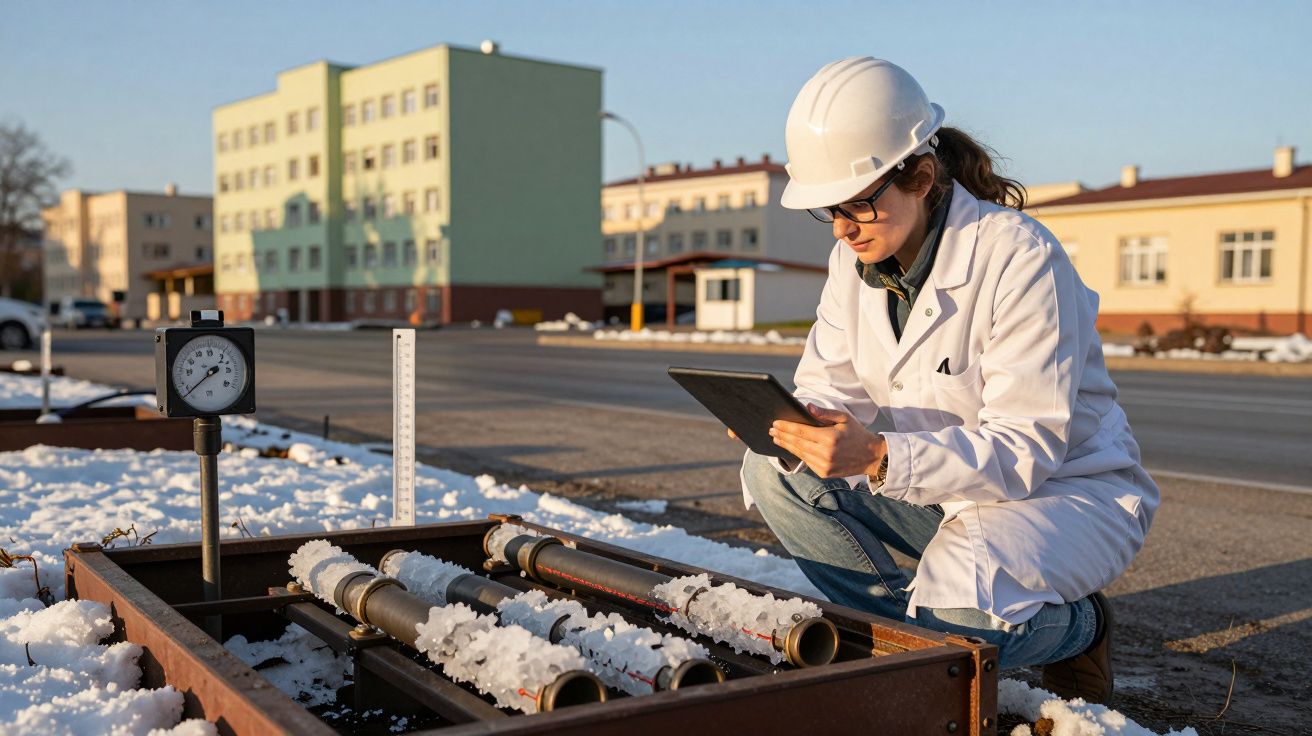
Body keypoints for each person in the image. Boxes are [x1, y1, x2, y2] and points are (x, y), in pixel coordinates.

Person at [736, 57, 1158, 704]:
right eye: (830, 210)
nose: (844, 227)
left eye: (856, 205)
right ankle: (901, 645)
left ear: (922, 177)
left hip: (1061, 497)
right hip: (938, 484)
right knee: (778, 472)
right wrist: (804, 426)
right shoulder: (857, 264)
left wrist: (877, 456)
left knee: (959, 608)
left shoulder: (1020, 259)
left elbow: (1026, 449)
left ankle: (1079, 626)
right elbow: (827, 385)